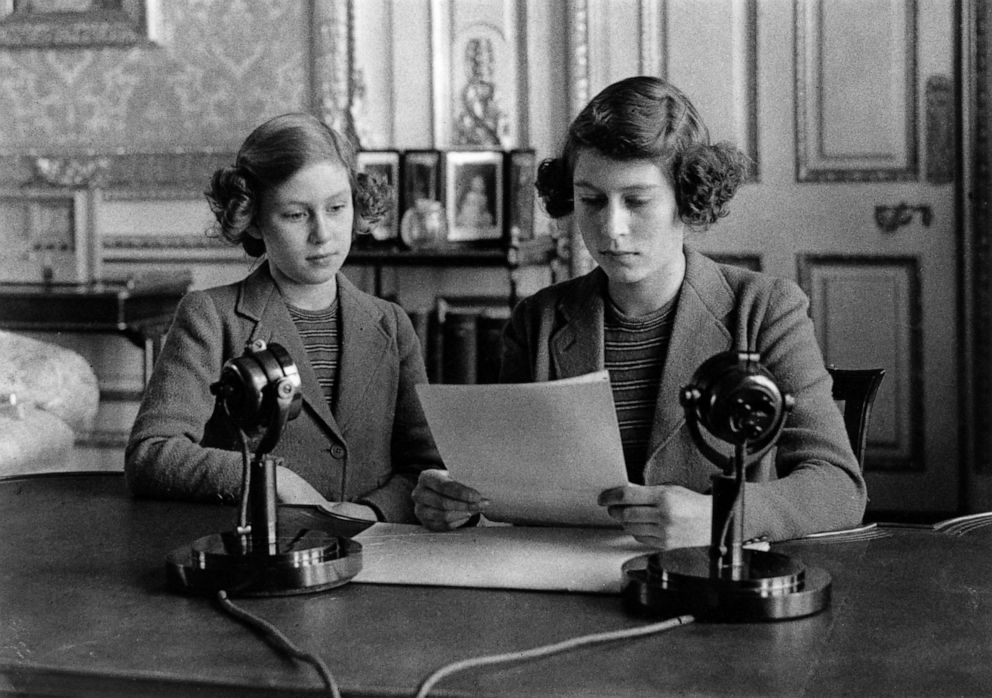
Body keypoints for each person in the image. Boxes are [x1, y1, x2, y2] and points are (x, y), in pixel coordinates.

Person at [412, 76, 866, 547]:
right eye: (590, 200)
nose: (612, 228)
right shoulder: (538, 320)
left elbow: (837, 486)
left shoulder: (766, 310)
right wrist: (456, 502)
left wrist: (720, 516)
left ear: (688, 199)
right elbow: (505, 485)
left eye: (637, 201)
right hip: (567, 586)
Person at [126, 113, 441, 523]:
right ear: (253, 219)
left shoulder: (392, 324)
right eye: (296, 215)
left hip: (373, 552)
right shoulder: (210, 316)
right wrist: (267, 480)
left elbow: (424, 469)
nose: (323, 233)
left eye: (336, 208)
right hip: (257, 556)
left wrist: (368, 512)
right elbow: (151, 452)